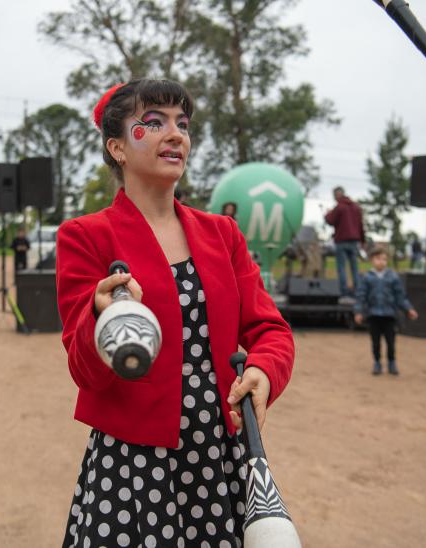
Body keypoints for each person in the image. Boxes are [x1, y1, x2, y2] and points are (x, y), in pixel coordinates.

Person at [56, 79, 294, 547]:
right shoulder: (86, 236)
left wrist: (264, 374)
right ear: (117, 147)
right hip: (132, 464)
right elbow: (84, 372)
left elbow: (270, 330)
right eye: (154, 122)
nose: (176, 134)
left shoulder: (223, 233)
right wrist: (100, 321)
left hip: (218, 457)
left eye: (182, 124)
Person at [354, 247, 418, 375]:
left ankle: (391, 362)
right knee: (375, 342)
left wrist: (408, 309)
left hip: (389, 315)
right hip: (373, 315)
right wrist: (359, 311)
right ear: (372, 260)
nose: (381, 262)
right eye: (378, 259)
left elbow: (400, 296)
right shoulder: (367, 278)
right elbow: (361, 296)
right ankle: (377, 362)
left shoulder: (393, 277)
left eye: (384, 259)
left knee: (391, 341)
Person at [324, 186, 365, 300]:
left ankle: (344, 292)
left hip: (341, 241)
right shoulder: (356, 207)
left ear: (337, 195)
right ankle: (357, 291)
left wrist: (327, 214)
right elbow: (361, 226)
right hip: (354, 241)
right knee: (354, 267)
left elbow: (330, 221)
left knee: (341, 267)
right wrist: (362, 240)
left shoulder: (339, 207)